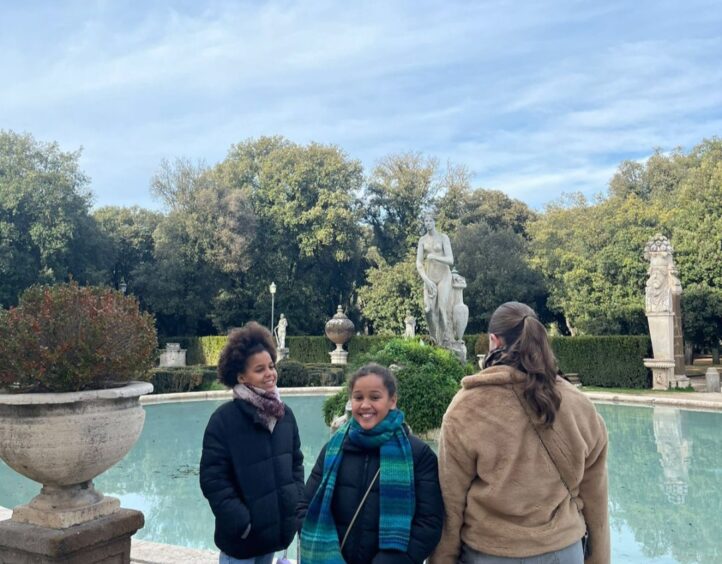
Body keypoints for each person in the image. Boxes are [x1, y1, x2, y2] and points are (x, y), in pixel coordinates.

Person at [429, 302, 610, 564]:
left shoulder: (466, 407)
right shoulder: (579, 404)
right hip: (563, 551)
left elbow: (451, 502)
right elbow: (595, 497)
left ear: (494, 340)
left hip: (491, 553)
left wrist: (442, 559)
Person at [301, 363, 444, 563]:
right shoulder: (333, 449)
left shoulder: (418, 454)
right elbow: (305, 507)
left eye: (375, 397)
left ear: (392, 401)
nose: (365, 405)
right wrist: (328, 556)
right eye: (358, 397)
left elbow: (429, 522)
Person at [200, 322, 304, 564]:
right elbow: (213, 480)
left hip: (273, 535)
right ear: (241, 377)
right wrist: (242, 522)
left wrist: (295, 502)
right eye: (260, 369)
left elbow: (296, 465)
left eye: (271, 366)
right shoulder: (223, 420)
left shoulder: (284, 415)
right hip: (241, 542)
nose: (269, 373)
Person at [416, 213, 454, 345]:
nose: (428, 223)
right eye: (425, 221)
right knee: (428, 310)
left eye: (430, 220)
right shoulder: (422, 240)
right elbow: (419, 263)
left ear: (434, 222)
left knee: (442, 310)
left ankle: (443, 341)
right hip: (430, 278)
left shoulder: (443, 237)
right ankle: (433, 339)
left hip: (444, 276)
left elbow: (450, 260)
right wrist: (426, 280)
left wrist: (434, 257)